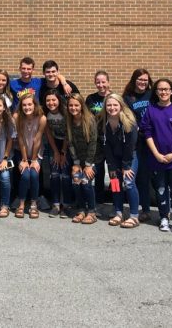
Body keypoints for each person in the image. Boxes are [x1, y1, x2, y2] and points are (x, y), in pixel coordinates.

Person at [140, 79, 172, 233]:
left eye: (166, 89)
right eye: (160, 89)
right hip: (157, 159)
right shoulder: (151, 110)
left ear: (171, 91)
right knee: (161, 189)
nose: (163, 92)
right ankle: (164, 217)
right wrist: (156, 154)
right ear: (156, 92)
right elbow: (147, 133)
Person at [101, 93, 141, 228]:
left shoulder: (129, 122)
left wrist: (126, 166)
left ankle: (134, 216)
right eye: (109, 105)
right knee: (114, 182)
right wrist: (111, 166)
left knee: (129, 182)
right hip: (114, 158)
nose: (112, 108)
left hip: (129, 157)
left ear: (121, 106)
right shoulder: (104, 122)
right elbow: (106, 146)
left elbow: (130, 146)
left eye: (115, 105)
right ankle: (118, 212)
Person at [123, 68, 154, 222]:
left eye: (145, 80)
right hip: (136, 142)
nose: (143, 82)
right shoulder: (128, 97)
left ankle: (147, 210)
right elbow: (128, 118)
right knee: (133, 177)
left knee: (146, 177)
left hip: (152, 141)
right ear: (134, 80)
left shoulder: (152, 95)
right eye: (140, 79)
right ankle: (135, 210)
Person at [66, 93, 100, 225]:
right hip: (78, 160)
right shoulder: (69, 121)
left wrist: (88, 164)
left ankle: (91, 212)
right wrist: (76, 163)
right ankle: (81, 210)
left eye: (76, 105)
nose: (73, 108)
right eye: (70, 105)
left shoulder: (90, 120)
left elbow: (93, 143)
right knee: (76, 180)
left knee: (85, 182)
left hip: (92, 160)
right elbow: (70, 143)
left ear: (81, 106)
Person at [14, 93, 46, 219]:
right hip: (21, 151)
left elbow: (37, 139)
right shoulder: (17, 117)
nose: (27, 107)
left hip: (36, 152)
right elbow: (20, 138)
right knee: (25, 175)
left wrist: (33, 160)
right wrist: (24, 159)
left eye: (29, 104)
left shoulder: (42, 118)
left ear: (35, 105)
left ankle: (33, 203)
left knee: (34, 174)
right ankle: (21, 204)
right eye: (24, 105)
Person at [42, 89, 72, 218]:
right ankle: (55, 204)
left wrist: (63, 152)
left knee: (65, 175)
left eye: (53, 100)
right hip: (53, 144)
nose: (51, 102)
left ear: (59, 100)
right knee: (54, 175)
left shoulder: (65, 112)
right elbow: (48, 133)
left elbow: (68, 132)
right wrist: (55, 151)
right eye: (48, 100)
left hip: (67, 145)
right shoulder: (45, 113)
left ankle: (66, 205)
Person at [84, 69, 111, 205]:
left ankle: (115, 201)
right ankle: (99, 201)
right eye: (98, 82)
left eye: (103, 82)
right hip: (98, 141)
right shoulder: (91, 99)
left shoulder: (114, 97)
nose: (101, 85)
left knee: (114, 173)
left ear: (108, 82)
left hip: (112, 141)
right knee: (99, 173)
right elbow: (87, 118)